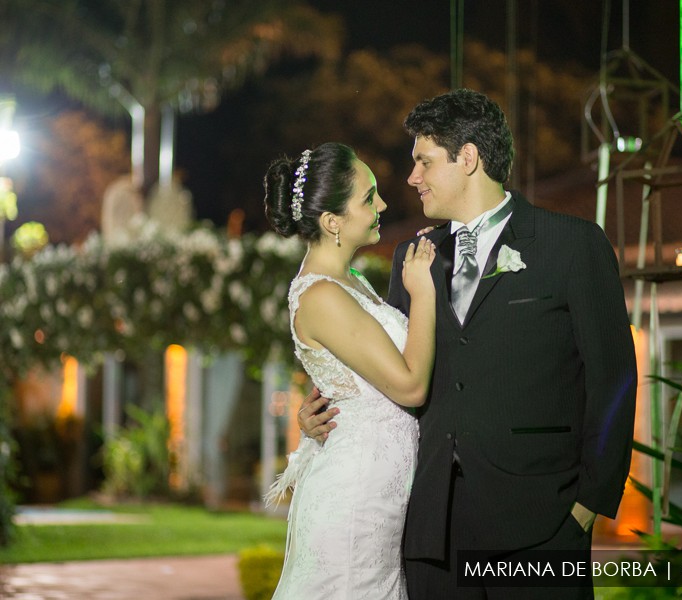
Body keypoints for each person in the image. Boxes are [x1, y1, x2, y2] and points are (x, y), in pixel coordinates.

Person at [298, 90, 637, 599]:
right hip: (432, 530)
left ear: (469, 158)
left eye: (423, 161)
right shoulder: (414, 258)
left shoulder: (573, 245)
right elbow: (391, 368)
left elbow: (614, 379)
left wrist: (590, 502)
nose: (412, 178)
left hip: (540, 527)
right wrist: (321, 411)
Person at [263, 142, 437, 599]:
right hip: (354, 504)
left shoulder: (352, 281)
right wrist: (423, 294)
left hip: (377, 495)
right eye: (369, 197)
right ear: (332, 222)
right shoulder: (320, 295)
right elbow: (411, 386)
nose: (382, 204)